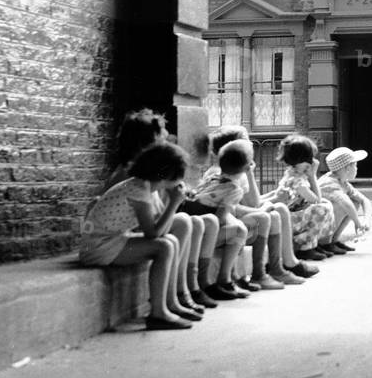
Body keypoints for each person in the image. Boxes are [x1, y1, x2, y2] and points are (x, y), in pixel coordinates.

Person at [104, 109, 218, 312]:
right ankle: (178, 293)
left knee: (193, 221)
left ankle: (186, 288)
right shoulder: (133, 176)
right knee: (183, 222)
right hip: (127, 234)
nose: (167, 136)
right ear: (148, 141)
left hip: (137, 230)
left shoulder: (148, 172)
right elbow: (146, 225)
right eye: (162, 133)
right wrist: (174, 201)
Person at [79, 142, 196, 330]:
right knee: (164, 246)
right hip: (98, 247)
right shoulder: (138, 192)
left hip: (112, 240)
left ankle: (171, 302)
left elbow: (162, 228)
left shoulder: (147, 187)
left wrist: (172, 201)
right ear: (165, 175)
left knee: (171, 241)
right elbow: (153, 233)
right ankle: (158, 313)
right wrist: (174, 203)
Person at [202, 126, 315, 286]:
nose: (251, 145)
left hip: (235, 219)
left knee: (278, 210)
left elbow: (250, 200)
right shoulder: (224, 174)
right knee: (272, 214)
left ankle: (283, 264)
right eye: (246, 141)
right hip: (229, 224)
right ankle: (269, 270)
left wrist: (273, 195)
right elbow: (247, 205)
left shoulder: (236, 171)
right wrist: (269, 199)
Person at [186, 141, 260, 301]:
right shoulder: (234, 189)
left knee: (237, 228)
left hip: (194, 229)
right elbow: (220, 217)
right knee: (240, 231)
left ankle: (230, 277)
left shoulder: (212, 178)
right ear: (247, 168)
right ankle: (225, 280)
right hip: (205, 236)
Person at [269, 134, 336, 261]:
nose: (311, 163)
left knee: (324, 205)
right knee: (321, 209)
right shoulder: (296, 180)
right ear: (297, 159)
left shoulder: (294, 174)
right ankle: (305, 247)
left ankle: (313, 244)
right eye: (308, 159)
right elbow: (316, 199)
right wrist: (312, 176)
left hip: (292, 216)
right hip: (288, 220)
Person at [317, 146, 372, 249]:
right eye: (355, 165)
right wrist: (357, 223)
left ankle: (334, 240)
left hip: (322, 223)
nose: (357, 168)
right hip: (314, 226)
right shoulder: (329, 183)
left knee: (355, 202)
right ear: (347, 168)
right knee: (343, 205)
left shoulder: (343, 183)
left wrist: (366, 220)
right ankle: (325, 243)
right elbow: (345, 202)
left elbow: (364, 200)